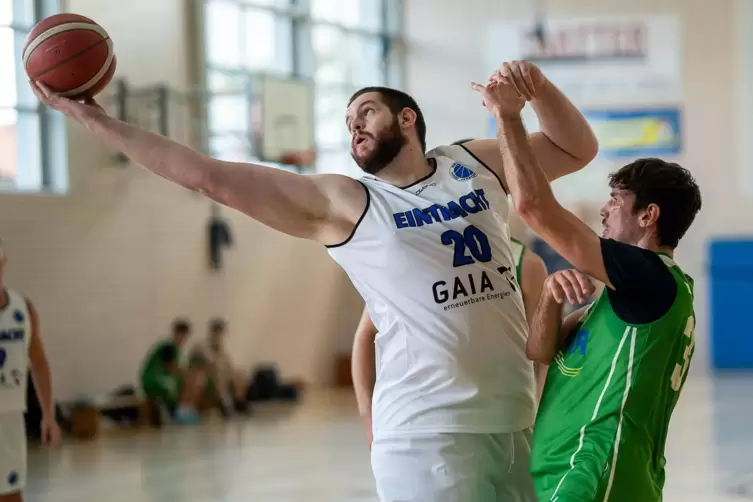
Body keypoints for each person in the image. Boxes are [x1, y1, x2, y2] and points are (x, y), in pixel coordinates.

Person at [31, 59, 597, 501]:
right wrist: (94, 120)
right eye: (348, 122)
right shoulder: (345, 202)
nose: (354, 126)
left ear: (407, 118)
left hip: (514, 421)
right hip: (427, 435)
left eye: (366, 112)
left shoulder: (471, 163)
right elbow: (207, 176)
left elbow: (576, 149)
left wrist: (537, 89)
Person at [472, 64, 701, 502]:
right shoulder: (630, 295)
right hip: (574, 470)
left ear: (648, 216)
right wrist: (551, 301)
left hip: (593, 472)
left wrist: (507, 116)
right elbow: (539, 351)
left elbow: (532, 205)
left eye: (615, 202)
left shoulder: (648, 277)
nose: (603, 212)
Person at [352, 232, 548, 447]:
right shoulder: (413, 253)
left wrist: (544, 419)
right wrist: (368, 417)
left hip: (507, 417)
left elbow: (544, 354)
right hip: (425, 420)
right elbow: (366, 334)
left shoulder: (525, 263)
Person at [0, 240, 61, 502]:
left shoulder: (22, 308)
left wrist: (49, 415)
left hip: (10, 418)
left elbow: (38, 362)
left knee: (11, 495)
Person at [140, 319, 207, 425]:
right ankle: (174, 413)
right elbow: (170, 368)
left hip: (161, 378)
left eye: (184, 336)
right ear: (174, 333)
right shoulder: (168, 346)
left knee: (182, 381)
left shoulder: (176, 349)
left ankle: (179, 410)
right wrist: (186, 371)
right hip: (152, 379)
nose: (182, 339)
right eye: (180, 335)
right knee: (174, 385)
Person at [189, 318, 249, 417]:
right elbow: (209, 362)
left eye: (221, 333)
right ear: (211, 332)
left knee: (239, 374)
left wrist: (234, 374)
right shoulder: (201, 346)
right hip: (207, 377)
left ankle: (239, 402)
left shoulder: (222, 351)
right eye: (216, 332)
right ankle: (223, 401)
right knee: (217, 370)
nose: (218, 336)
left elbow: (229, 366)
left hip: (221, 375)